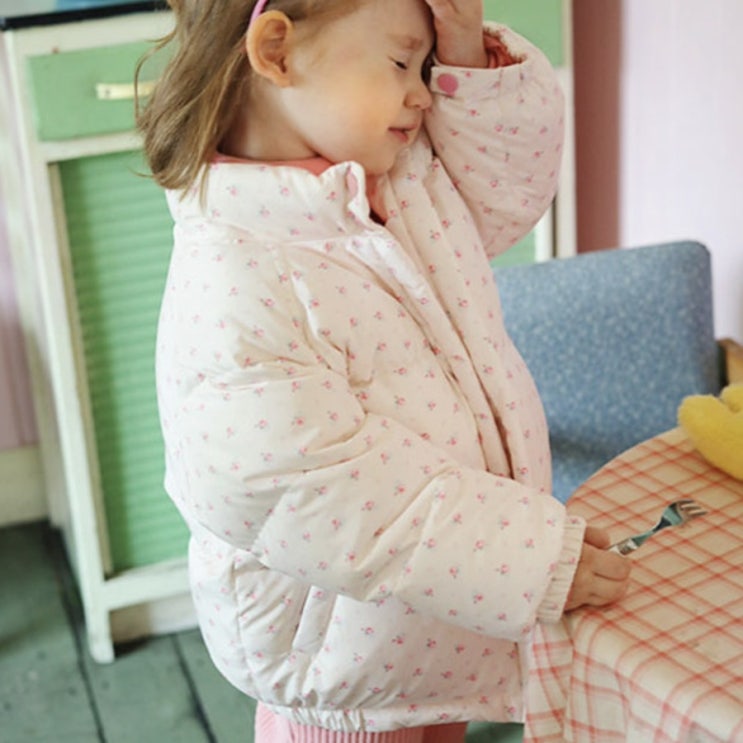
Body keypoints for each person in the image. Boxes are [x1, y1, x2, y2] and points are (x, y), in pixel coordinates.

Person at [138, 1, 632, 741]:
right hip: (340, 667)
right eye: (403, 62)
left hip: (436, 627)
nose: (422, 93)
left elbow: (509, 192)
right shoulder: (232, 275)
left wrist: (466, 55)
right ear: (277, 51)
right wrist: (527, 558)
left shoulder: (401, 179)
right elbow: (324, 491)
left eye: (427, 68)